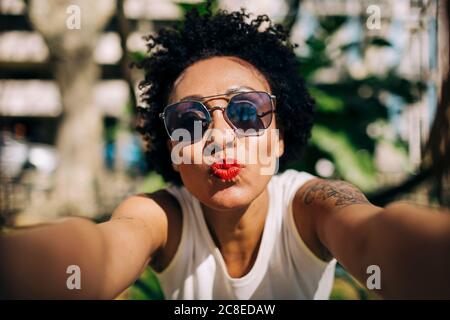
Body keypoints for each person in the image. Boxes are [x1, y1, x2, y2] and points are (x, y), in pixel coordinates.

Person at [1, 3, 449, 300]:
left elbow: (375, 234)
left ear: (278, 137)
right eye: (189, 120)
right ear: (173, 149)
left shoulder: (310, 206)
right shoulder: (162, 217)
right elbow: (100, 249)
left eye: (247, 113)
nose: (219, 137)